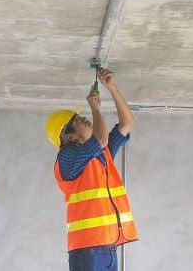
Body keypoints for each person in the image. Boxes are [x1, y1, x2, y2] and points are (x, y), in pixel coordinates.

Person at [45, 67, 138, 271]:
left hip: (107, 247)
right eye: (77, 121)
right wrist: (96, 109)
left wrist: (111, 87)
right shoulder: (67, 157)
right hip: (87, 249)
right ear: (69, 138)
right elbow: (101, 138)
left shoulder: (100, 154)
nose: (84, 119)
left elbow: (127, 122)